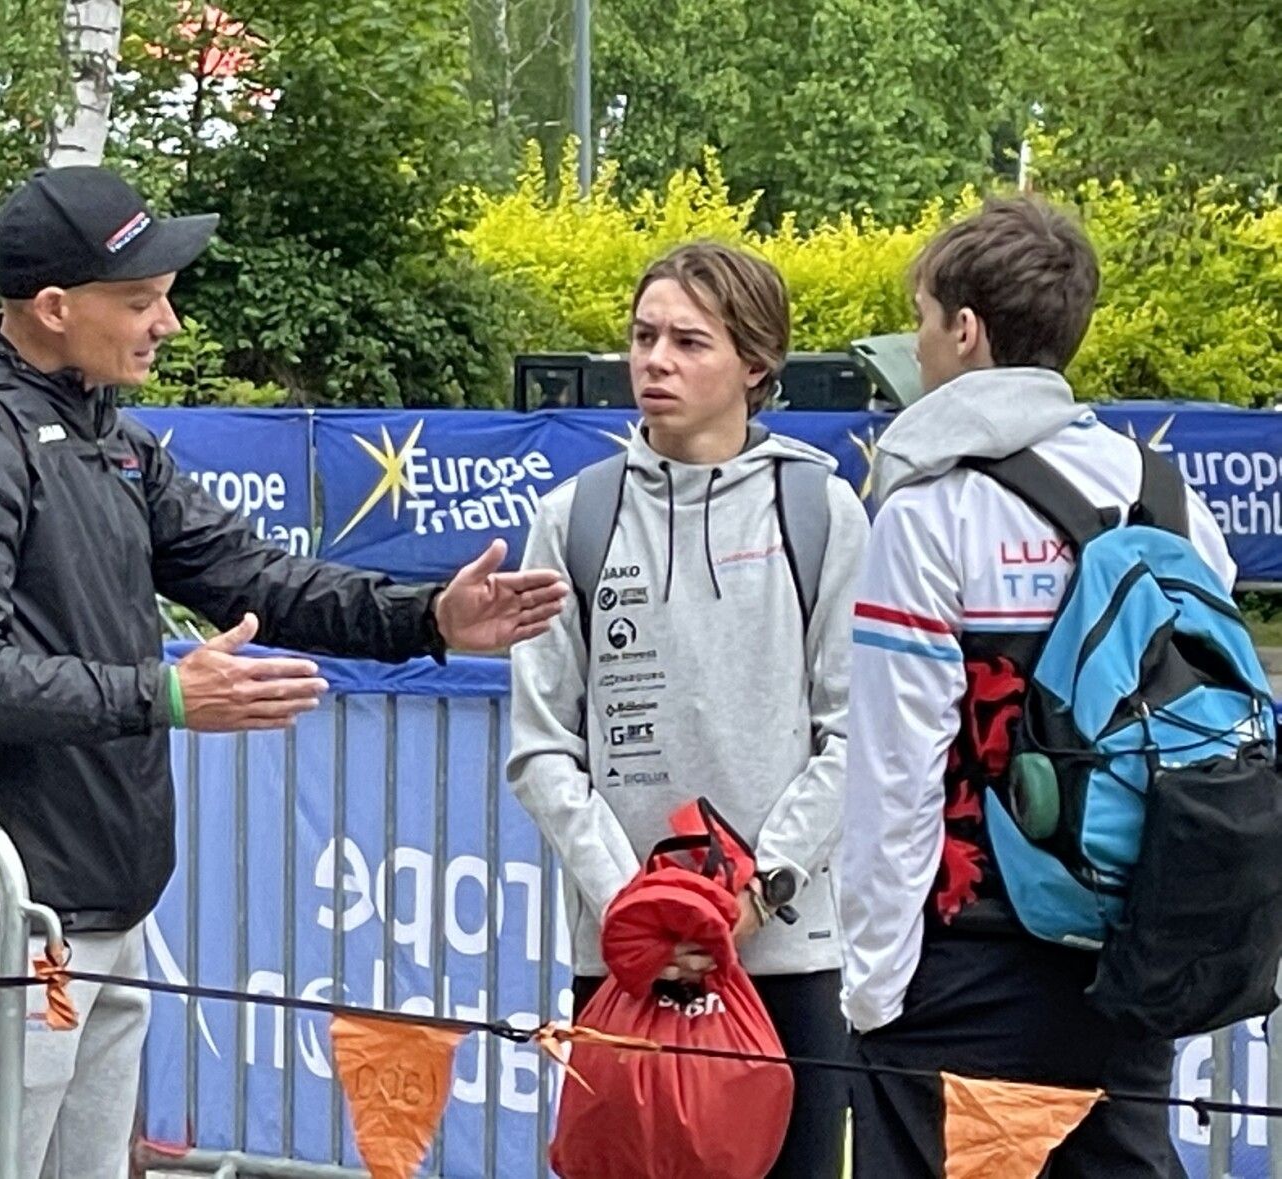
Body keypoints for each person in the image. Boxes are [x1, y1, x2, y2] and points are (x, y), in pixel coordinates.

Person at [0, 165, 568, 1179]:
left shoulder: (112, 437)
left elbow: (256, 577)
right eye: (140, 301)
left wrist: (428, 618)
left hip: (105, 904)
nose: (169, 323)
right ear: (56, 309)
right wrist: (163, 694)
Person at [840, 195, 1232, 1176]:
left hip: (968, 954)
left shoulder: (930, 512)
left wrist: (873, 992)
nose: (918, 347)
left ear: (966, 331)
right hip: (1136, 946)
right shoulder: (1170, 497)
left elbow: (895, 774)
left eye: (924, 320)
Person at [509, 241, 868, 1178]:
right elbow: (542, 746)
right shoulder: (572, 517)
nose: (654, 361)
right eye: (643, 336)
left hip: (783, 959)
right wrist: (636, 905)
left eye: (688, 341)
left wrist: (757, 893)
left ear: (755, 363)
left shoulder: (822, 511)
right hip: (625, 961)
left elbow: (854, 737)